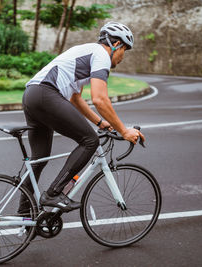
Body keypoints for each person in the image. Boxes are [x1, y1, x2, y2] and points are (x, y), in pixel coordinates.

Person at [19, 21, 145, 214]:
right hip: (46, 94)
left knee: (39, 159)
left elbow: (76, 98)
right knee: (89, 141)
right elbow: (100, 99)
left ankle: (25, 214)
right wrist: (123, 130)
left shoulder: (89, 53)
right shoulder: (101, 55)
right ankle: (53, 193)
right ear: (117, 45)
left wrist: (102, 123)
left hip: (32, 95)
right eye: (125, 51)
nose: (122, 57)